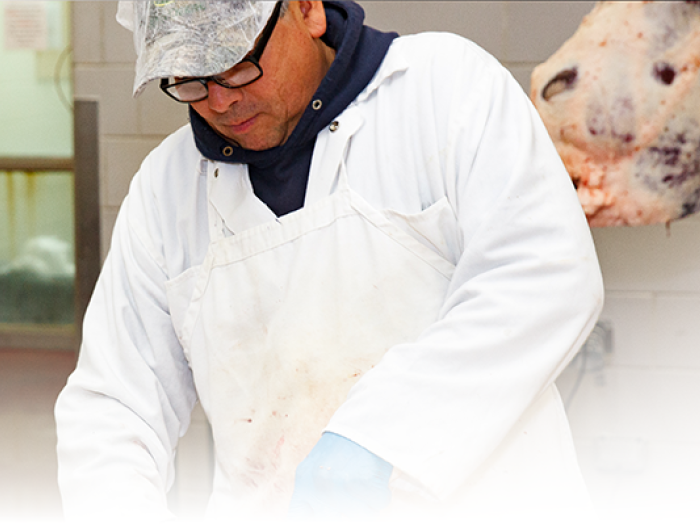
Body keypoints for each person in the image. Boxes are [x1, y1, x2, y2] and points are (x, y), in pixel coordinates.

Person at [55, 1, 604, 524]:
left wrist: (381, 434)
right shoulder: (165, 189)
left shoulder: (444, 89)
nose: (219, 102)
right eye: (188, 81)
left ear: (307, 9)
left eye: (237, 67)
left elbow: (543, 275)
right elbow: (115, 406)